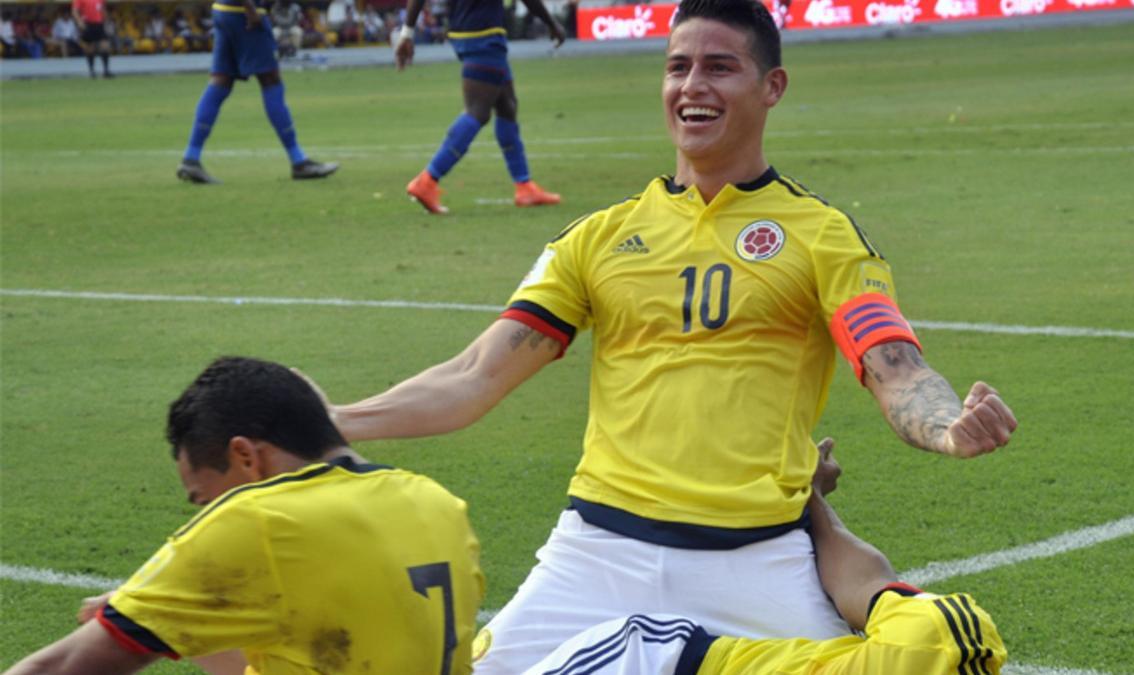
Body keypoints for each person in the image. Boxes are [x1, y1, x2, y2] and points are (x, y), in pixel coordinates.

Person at [315, 0, 1017, 671]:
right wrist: (334, 420)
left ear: (772, 86)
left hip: (756, 561)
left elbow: (893, 364)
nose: (692, 86)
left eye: (719, 67)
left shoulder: (824, 236)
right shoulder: (598, 237)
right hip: (595, 556)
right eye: (678, 67)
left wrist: (946, 424)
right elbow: (473, 376)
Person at [5, 357, 484, 675]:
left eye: (204, 497)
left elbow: (68, 666)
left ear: (245, 455)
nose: (211, 511)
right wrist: (166, 603)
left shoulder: (261, 520)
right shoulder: (436, 501)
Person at [525, 441, 1007, 675]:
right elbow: (862, 584)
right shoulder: (942, 642)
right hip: (653, 661)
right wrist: (811, 495)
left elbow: (863, 584)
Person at [391, 0, 566, 214]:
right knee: (478, 111)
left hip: (464, 32)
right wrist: (551, 23)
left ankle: (524, 186)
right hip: (485, 34)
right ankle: (427, 180)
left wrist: (407, 33)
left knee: (507, 105)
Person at [175, 0, 339, 184]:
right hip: (243, 13)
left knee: (220, 81)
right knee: (270, 80)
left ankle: (191, 158)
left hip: (223, 10)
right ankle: (299, 161)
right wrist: (250, 8)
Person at [71, 0, 112, 77]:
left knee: (105, 46)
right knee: (90, 49)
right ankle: (92, 71)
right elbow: (74, 11)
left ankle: (106, 71)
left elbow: (103, 9)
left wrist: (106, 22)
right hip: (87, 24)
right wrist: (79, 21)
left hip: (99, 24)